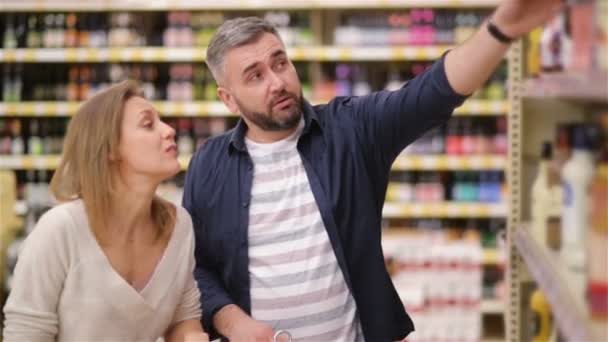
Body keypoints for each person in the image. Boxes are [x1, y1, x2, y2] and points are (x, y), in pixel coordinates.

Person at [182, 1, 562, 341]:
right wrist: (231, 322)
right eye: (255, 75)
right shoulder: (208, 165)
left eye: (280, 62)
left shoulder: (350, 130)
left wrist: (500, 30)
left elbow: (430, 94)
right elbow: (196, 267)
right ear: (227, 98)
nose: (278, 82)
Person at [3, 81, 208, 342]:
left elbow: (183, 318)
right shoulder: (61, 230)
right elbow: (25, 334)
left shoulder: (178, 225)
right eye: (148, 124)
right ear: (110, 148)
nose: (169, 131)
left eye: (163, 122)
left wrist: (192, 337)